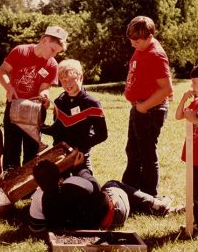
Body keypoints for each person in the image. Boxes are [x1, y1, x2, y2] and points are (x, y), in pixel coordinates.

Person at [29, 159, 175, 232]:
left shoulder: (38, 199)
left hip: (92, 224)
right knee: (111, 184)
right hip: (115, 215)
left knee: (109, 192)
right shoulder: (73, 183)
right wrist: (81, 167)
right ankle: (157, 205)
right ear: (59, 176)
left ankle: (149, 205)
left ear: (37, 182)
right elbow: (95, 186)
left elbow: (37, 228)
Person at [0, 25, 68, 171]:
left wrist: (45, 96)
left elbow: (44, 88)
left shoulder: (52, 65)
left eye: (57, 53)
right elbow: (1, 71)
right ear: (45, 40)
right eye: (53, 50)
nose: (53, 55)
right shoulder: (20, 51)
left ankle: (28, 186)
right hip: (14, 107)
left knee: (31, 150)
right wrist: (9, 87)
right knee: (11, 148)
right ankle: (9, 184)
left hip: (34, 111)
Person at [122, 16, 173, 197]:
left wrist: (143, 107)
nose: (133, 44)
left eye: (136, 41)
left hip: (150, 111)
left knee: (146, 154)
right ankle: (131, 189)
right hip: (139, 108)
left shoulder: (155, 54)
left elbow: (166, 88)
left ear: (149, 36)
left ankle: (149, 195)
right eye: (131, 40)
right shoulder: (142, 48)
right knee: (133, 150)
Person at [41, 59, 107, 173]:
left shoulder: (92, 104)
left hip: (81, 156)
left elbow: (102, 134)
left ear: (81, 77)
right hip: (60, 155)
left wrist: (81, 148)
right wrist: (41, 127)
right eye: (64, 80)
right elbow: (58, 129)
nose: (67, 84)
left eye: (72, 80)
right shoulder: (59, 102)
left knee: (85, 187)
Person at [175, 66, 198, 228]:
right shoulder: (195, 102)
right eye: (192, 82)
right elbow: (178, 116)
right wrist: (183, 100)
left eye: (195, 83)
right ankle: (195, 222)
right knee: (194, 191)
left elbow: (193, 119)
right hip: (193, 154)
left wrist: (196, 120)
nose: (192, 86)